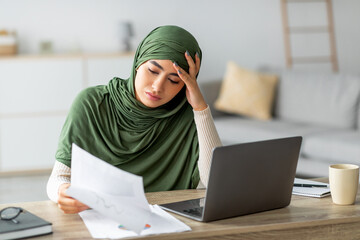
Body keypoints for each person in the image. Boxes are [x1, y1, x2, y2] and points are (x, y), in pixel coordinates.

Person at [46, 25, 222, 214]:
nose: (157, 86)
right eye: (153, 71)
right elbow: (59, 177)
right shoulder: (92, 104)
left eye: (173, 80)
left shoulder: (187, 116)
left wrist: (200, 108)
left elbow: (215, 182)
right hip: (101, 219)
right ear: (138, 62)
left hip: (168, 222)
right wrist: (62, 191)